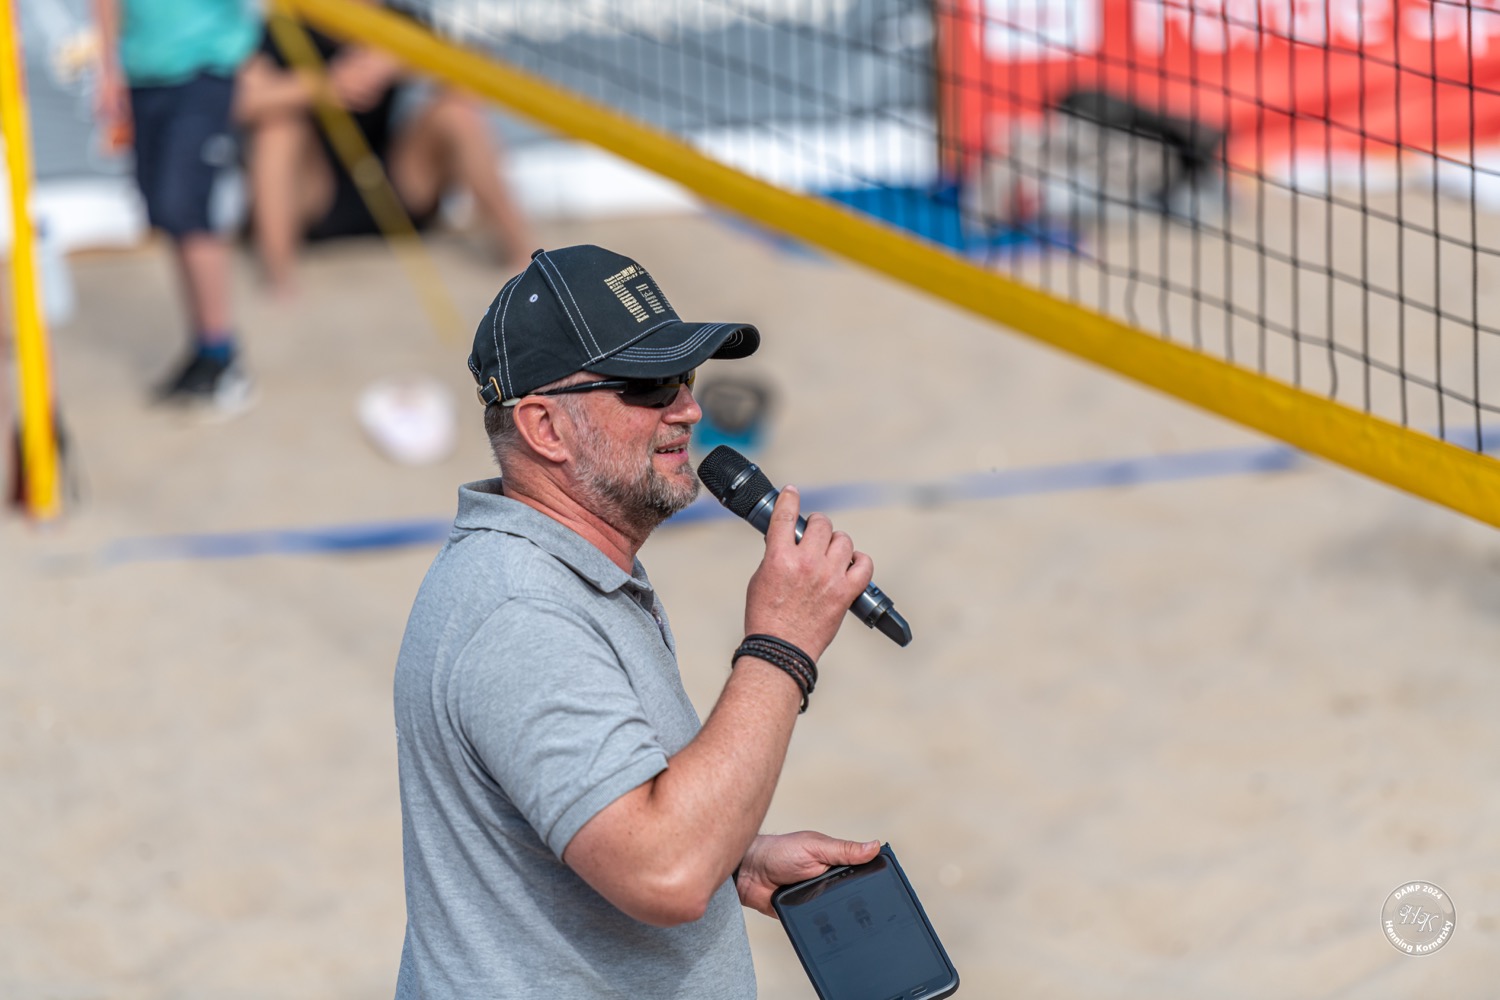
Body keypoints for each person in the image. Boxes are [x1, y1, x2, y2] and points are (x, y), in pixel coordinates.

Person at [393, 244, 881, 998]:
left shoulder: (561, 570)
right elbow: (665, 871)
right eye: (647, 385)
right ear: (545, 427)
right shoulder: (521, 612)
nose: (687, 408)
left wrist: (733, 856)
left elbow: (602, 819)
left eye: (686, 377)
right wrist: (782, 645)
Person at [234, 5, 534, 296]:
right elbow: (239, 102)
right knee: (278, 130)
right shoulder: (285, 27)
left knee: (457, 113)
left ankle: (524, 258)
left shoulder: (394, 20)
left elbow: (474, 74)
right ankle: (279, 282)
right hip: (314, 196)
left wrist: (399, 60)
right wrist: (322, 87)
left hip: (392, 188)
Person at [93, 0, 259, 412]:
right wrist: (106, 69)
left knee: (187, 207)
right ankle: (204, 347)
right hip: (142, 70)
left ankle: (222, 357)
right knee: (166, 214)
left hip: (201, 68)